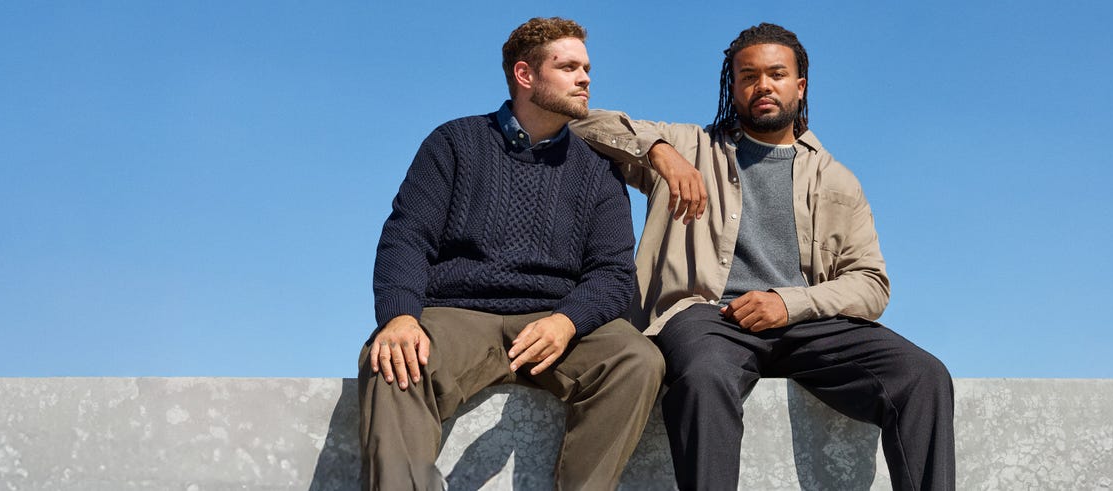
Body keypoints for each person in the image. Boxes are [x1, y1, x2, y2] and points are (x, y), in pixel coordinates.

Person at [571, 23, 955, 491]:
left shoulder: (836, 179)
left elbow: (871, 284)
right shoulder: (690, 146)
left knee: (924, 376)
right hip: (708, 317)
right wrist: (659, 151)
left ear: (800, 85)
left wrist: (788, 303)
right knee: (704, 376)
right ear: (733, 87)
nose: (763, 86)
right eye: (748, 76)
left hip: (805, 323)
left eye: (776, 74)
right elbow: (579, 125)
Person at [359, 16, 664, 491]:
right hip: (458, 316)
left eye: (586, 68)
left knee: (637, 359)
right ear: (526, 74)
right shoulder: (454, 143)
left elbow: (611, 273)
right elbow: (407, 236)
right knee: (393, 360)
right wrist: (399, 316)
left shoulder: (600, 170)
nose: (585, 79)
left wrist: (567, 322)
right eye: (568, 67)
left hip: (554, 322)